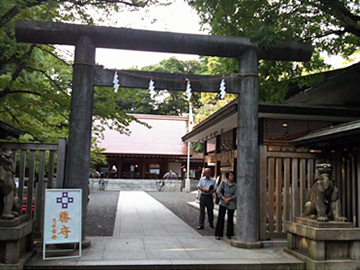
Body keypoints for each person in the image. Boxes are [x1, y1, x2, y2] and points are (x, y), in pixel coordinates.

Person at [214, 171, 237, 240]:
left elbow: (236, 194)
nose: (231, 177)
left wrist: (229, 199)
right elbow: (218, 191)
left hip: (231, 202)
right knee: (221, 218)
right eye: (230, 175)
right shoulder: (223, 183)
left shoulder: (235, 185)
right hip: (223, 202)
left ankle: (229, 233)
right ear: (227, 176)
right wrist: (224, 198)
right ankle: (218, 234)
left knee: (230, 218)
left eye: (232, 175)